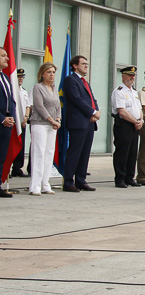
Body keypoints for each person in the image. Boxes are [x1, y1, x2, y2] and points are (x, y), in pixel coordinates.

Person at [61, 55, 100, 193]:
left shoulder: (85, 82)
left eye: (87, 64)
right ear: (74, 66)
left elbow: (91, 98)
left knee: (85, 153)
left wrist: (97, 111)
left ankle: (81, 180)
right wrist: (92, 112)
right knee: (75, 152)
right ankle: (68, 181)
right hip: (78, 121)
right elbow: (76, 99)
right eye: (83, 63)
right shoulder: (70, 80)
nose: (86, 66)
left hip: (89, 122)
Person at [28, 62, 60, 195]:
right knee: (39, 153)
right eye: (49, 72)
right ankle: (35, 185)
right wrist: (51, 120)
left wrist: (58, 119)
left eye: (53, 72)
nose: (52, 74)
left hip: (52, 125)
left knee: (49, 153)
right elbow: (39, 106)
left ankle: (45, 184)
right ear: (42, 74)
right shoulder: (38, 87)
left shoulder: (53, 88)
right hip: (40, 123)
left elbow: (58, 106)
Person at [111, 66, 143, 188]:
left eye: (133, 75)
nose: (132, 78)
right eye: (130, 75)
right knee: (122, 152)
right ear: (123, 76)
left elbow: (139, 109)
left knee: (133, 152)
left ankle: (130, 177)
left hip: (135, 125)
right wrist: (135, 121)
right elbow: (122, 111)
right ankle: (120, 179)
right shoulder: (119, 91)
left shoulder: (134, 92)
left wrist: (141, 121)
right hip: (123, 124)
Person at [0, 47, 16, 198]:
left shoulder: (4, 78)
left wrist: (11, 117)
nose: (7, 58)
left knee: (1, 156)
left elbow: (12, 100)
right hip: (0, 120)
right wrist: (2, 118)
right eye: (3, 56)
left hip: (6, 123)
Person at [11, 68, 30, 178]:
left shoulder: (24, 91)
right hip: (13, 122)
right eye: (19, 77)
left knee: (21, 145)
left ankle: (17, 168)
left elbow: (28, 106)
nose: (21, 79)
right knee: (12, 145)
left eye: (22, 77)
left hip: (22, 122)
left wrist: (26, 118)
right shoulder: (12, 90)